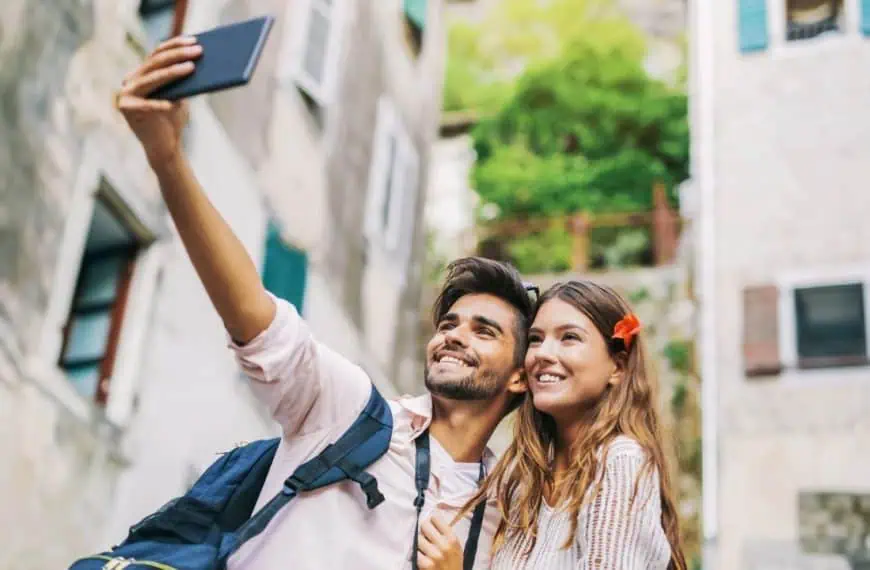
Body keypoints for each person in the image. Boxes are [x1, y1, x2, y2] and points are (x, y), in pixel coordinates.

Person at [115, 37, 534, 569]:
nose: (454, 334)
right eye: (449, 322)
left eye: (484, 331)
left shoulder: (505, 519)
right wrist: (168, 158)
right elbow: (252, 315)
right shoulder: (349, 410)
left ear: (521, 376)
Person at [416, 280, 688, 570]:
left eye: (569, 337)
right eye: (535, 339)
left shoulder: (619, 460)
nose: (543, 353)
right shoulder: (522, 482)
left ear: (617, 367)